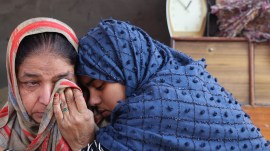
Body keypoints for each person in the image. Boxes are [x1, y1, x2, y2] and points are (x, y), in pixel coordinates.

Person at [55, 19, 270, 150]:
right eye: (88, 91)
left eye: (100, 86)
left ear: (130, 70)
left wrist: (83, 142)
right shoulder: (180, 75)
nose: (93, 100)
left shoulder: (152, 110)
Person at [0, 17, 95, 151]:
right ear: (14, 84)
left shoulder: (114, 132)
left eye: (60, 82)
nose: (46, 100)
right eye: (31, 83)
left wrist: (84, 143)